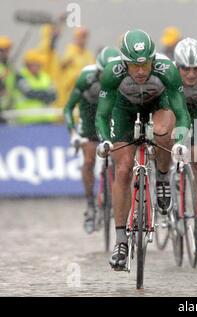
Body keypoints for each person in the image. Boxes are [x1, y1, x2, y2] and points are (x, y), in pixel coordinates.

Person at [95, 29, 191, 270]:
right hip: (124, 111)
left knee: (162, 132)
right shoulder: (111, 73)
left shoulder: (166, 70)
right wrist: (105, 140)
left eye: (145, 64)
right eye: (134, 66)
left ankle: (161, 178)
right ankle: (120, 241)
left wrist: (178, 141)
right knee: (124, 168)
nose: (140, 71)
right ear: (124, 62)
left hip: (158, 105)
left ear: (153, 59)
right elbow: (102, 115)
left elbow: (181, 113)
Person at [64, 46, 120, 233]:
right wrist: (73, 133)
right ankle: (90, 205)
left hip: (110, 121)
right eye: (104, 73)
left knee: (122, 161)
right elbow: (68, 108)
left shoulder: (124, 78)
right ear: (97, 70)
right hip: (88, 123)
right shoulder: (85, 78)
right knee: (88, 160)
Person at [173, 37, 197, 252]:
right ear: (177, 66)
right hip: (174, 114)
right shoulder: (167, 77)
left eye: (195, 69)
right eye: (185, 69)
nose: (190, 74)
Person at [14, 49, 57, 124]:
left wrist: (38, 93)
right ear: (28, 64)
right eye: (35, 63)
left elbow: (54, 95)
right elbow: (29, 93)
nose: (38, 66)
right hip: (28, 121)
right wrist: (45, 93)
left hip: (47, 120)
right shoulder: (20, 76)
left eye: (39, 64)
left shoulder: (45, 77)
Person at [59, 27, 96, 108]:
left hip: (85, 96)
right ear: (75, 37)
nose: (82, 39)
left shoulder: (88, 55)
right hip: (71, 94)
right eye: (80, 36)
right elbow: (61, 70)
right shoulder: (69, 52)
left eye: (84, 36)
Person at [0, 36, 16, 121]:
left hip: (6, 108)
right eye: (3, 50)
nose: (6, 52)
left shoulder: (9, 66)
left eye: (7, 50)